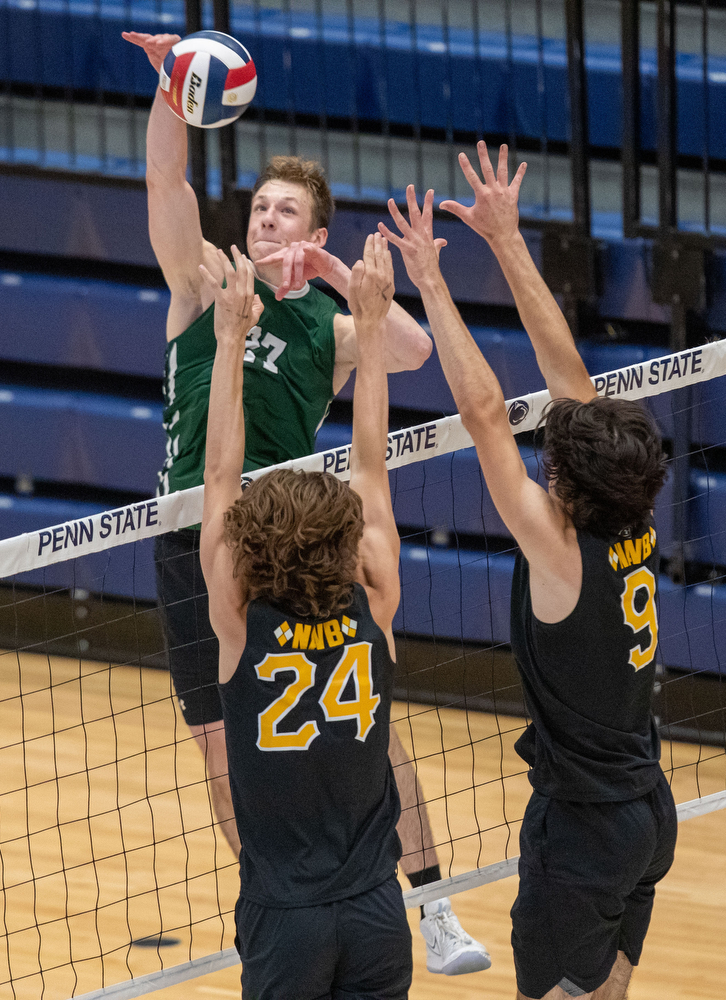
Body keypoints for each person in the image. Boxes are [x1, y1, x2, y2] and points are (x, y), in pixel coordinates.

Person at [121, 30, 491, 975]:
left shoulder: (329, 321)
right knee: (218, 743)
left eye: (287, 212)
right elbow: (167, 182)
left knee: (362, 719)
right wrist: (175, 89)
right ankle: (271, 894)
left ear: (314, 232)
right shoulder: (205, 281)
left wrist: (332, 277)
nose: (267, 219)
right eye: (260, 206)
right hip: (194, 532)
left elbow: (408, 352)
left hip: (296, 531)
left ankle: (432, 902)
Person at [380, 143, 677, 1000]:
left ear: (566, 484)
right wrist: (505, 240)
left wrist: (430, 280)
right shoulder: (634, 520)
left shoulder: (561, 551)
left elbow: (482, 413)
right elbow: (569, 383)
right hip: (646, 816)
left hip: (581, 831)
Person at [199, 234, 411, 997]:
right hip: (376, 911)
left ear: (255, 553)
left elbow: (218, 474)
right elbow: (372, 464)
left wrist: (229, 340)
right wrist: (373, 326)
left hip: (285, 919)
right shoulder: (374, 600)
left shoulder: (239, 620)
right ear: (351, 546)